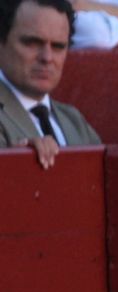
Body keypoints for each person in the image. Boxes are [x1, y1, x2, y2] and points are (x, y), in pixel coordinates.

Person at [0, 0, 100, 170]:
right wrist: (15, 164)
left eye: (58, 47)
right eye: (32, 43)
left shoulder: (74, 120)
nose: (47, 57)